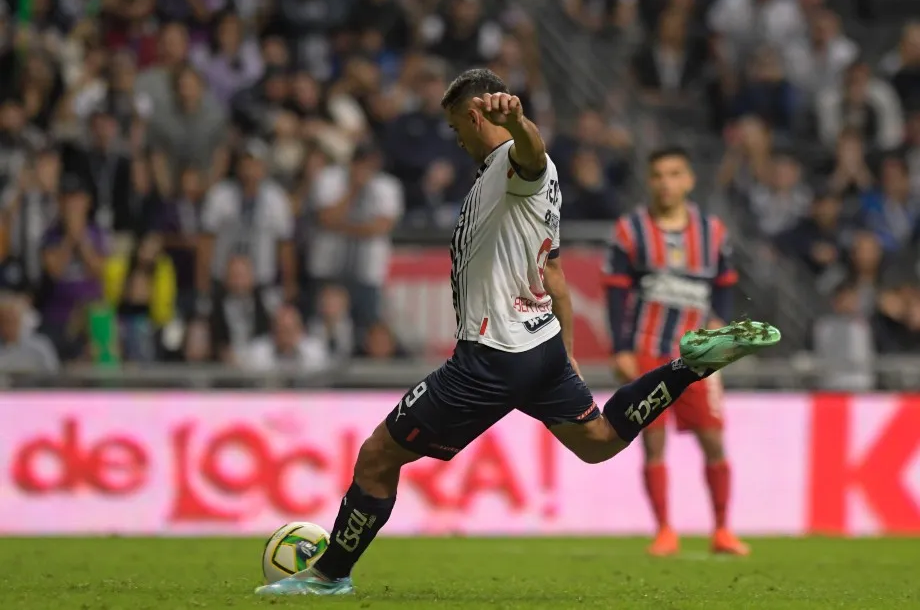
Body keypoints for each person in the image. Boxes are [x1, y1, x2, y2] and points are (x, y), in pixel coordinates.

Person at [256, 69, 781, 597]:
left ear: (474, 114)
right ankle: (687, 366)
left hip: (492, 356)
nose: (456, 138)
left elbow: (532, 152)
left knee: (377, 456)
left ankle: (328, 576)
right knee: (598, 441)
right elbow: (553, 275)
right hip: (541, 344)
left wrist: (519, 122)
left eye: (457, 125)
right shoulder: (519, 186)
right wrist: (568, 354)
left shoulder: (515, 165)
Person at [604, 147, 749, 557]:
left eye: (674, 174)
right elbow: (615, 294)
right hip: (649, 351)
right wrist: (620, 349)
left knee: (713, 440)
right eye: (658, 175)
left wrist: (720, 322)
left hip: (700, 356)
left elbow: (725, 283)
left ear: (689, 180)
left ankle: (722, 530)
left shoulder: (712, 233)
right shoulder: (630, 231)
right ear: (650, 181)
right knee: (653, 441)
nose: (666, 182)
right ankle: (665, 530)